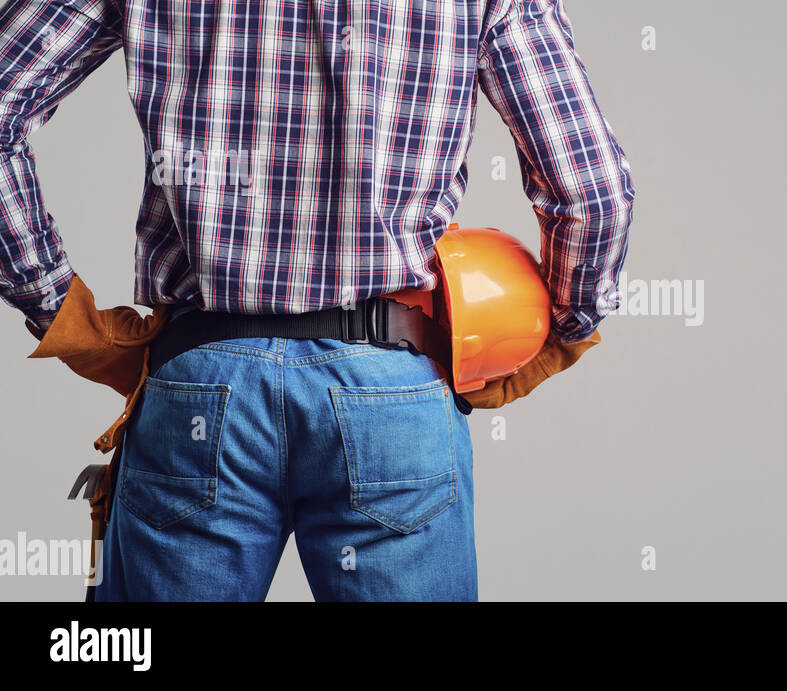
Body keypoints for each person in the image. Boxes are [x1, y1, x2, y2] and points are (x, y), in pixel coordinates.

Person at [0, 0, 634, 601]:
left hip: (199, 382)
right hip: (390, 394)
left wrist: (67, 319)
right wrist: (560, 335)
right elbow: (594, 191)